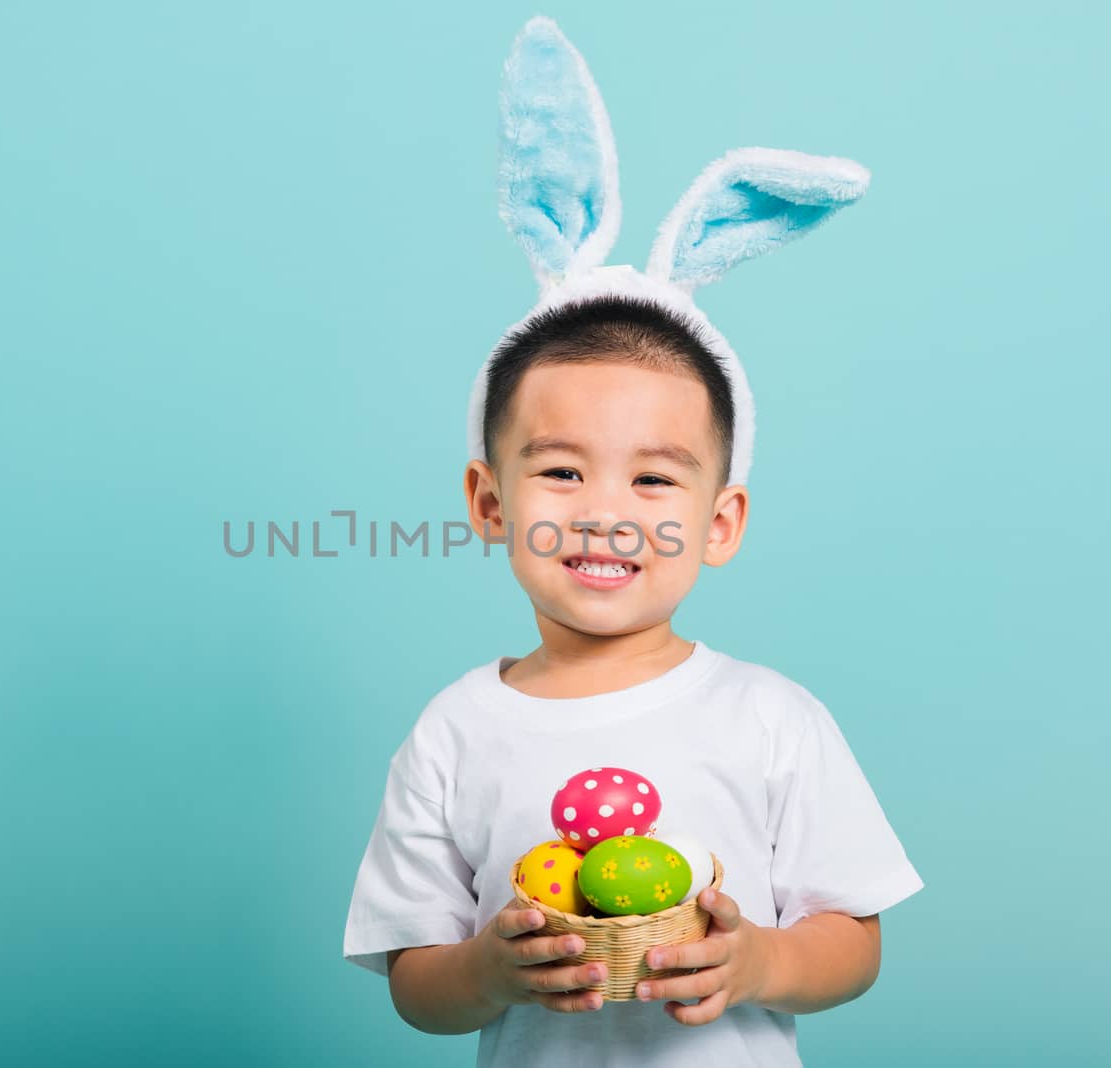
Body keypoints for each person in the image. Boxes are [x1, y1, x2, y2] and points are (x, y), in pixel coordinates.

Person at [342, 17, 922, 1067]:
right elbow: (415, 982)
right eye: (560, 471)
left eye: (653, 479)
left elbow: (854, 940)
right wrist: (483, 971)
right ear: (488, 501)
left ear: (720, 522)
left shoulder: (771, 719)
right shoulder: (453, 733)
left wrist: (759, 965)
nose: (606, 513)